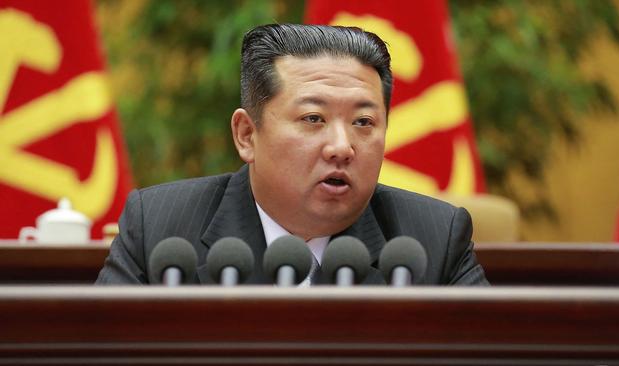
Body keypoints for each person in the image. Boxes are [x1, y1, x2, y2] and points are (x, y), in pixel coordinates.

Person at [95, 23, 488, 285]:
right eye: (313, 118)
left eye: (364, 122)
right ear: (247, 134)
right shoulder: (161, 229)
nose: (341, 147)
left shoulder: (434, 239)